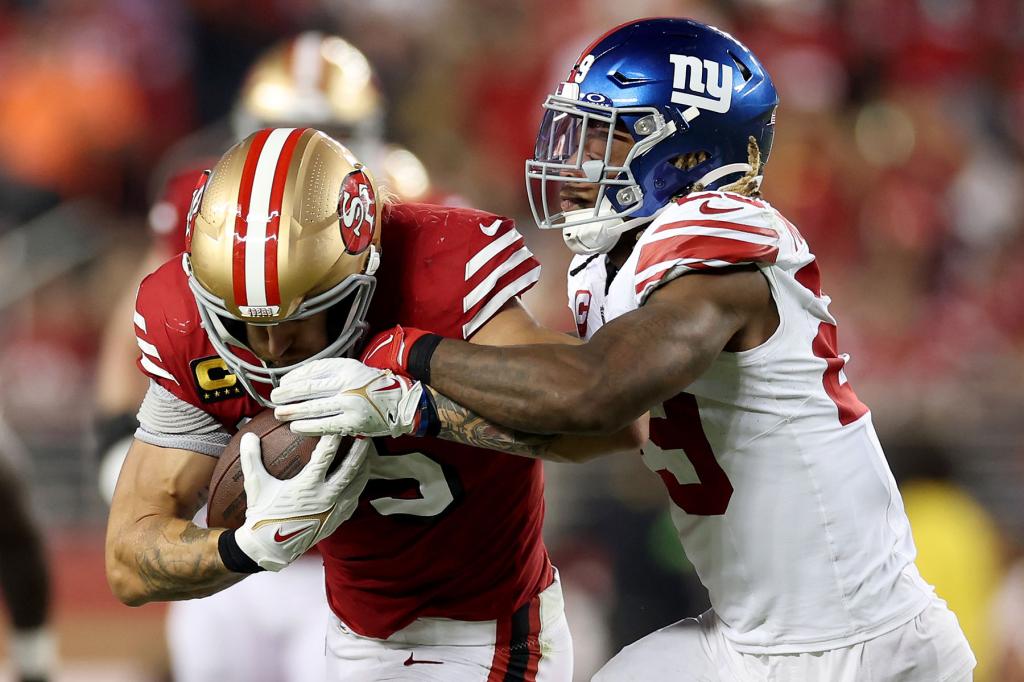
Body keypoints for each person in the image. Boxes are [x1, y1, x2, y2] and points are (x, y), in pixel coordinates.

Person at [268, 18, 977, 681]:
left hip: (861, 648)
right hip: (749, 640)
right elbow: (603, 429)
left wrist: (409, 354)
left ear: (688, 150)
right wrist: (413, 409)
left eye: (603, 137)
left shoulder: (723, 242)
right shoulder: (618, 262)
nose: (570, 160)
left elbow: (596, 389)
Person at [105, 127, 643, 681]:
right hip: (350, 636)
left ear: (362, 274)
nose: (270, 349)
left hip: (485, 634)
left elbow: (616, 421)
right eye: (241, 323)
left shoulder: (434, 272)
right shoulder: (188, 325)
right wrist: (248, 547)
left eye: (300, 317)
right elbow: (128, 559)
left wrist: (417, 403)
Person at [91, 33, 449, 682]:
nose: (303, 150)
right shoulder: (208, 207)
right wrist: (120, 439)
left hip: (363, 541)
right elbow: (141, 328)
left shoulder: (409, 204)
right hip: (231, 519)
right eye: (285, 127)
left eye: (329, 129)